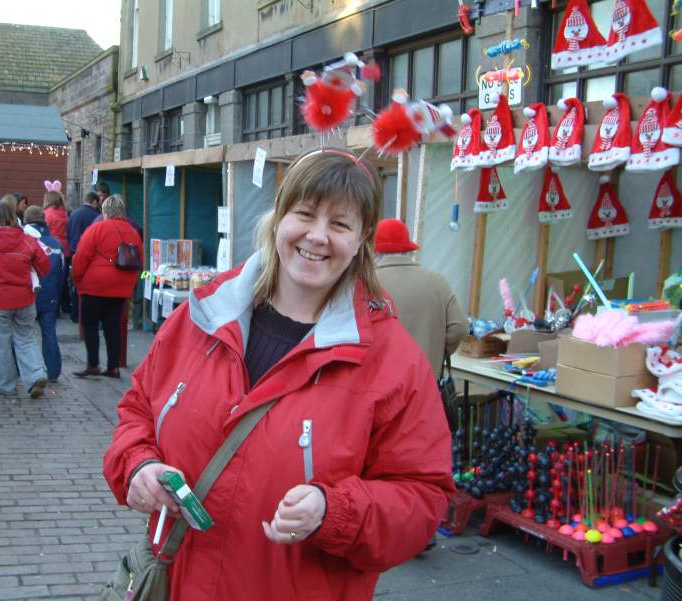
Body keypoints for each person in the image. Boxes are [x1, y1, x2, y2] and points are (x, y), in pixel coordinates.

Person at [102, 150, 454, 601]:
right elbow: (137, 412)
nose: (318, 236)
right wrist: (138, 466)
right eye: (304, 214)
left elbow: (423, 498)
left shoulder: (391, 362)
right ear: (279, 217)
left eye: (341, 225)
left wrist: (335, 512)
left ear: (362, 237)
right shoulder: (205, 316)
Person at [0, 201, 51, 398]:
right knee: (26, 338)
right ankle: (35, 375)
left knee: (0, 343)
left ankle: (5, 385)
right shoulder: (25, 240)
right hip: (24, 297)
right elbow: (44, 265)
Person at [374, 218, 466, 378]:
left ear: (375, 252)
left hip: (379, 389)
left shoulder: (365, 284)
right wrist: (437, 351)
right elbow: (460, 328)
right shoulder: (437, 281)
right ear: (409, 250)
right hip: (426, 386)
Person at [72, 195, 142, 379]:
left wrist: (77, 279)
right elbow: (138, 260)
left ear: (104, 211)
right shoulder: (133, 232)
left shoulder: (97, 229)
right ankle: (113, 367)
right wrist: (129, 284)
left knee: (90, 323)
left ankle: (93, 363)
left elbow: (81, 257)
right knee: (113, 325)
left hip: (95, 285)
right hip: (121, 287)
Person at [23, 206, 64, 382]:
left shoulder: (23, 241)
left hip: (28, 294)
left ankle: (24, 371)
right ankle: (53, 372)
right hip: (50, 294)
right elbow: (62, 274)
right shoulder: (55, 244)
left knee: (23, 335)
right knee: (49, 333)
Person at [67, 191, 101, 322]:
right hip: (90, 255)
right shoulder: (96, 216)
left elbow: (68, 232)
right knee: (89, 287)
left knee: (75, 285)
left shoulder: (73, 214)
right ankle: (87, 316)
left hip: (73, 252)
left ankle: (75, 314)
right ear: (94, 202)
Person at [42, 187, 72, 314]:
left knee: (51, 278)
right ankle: (64, 305)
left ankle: (53, 307)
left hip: (51, 249)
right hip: (65, 249)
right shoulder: (65, 213)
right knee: (63, 279)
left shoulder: (47, 213)